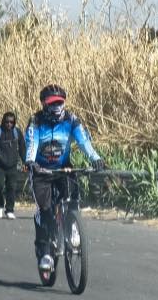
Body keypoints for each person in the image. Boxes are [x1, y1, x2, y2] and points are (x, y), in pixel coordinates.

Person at [25, 84, 105, 271]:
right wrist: (30, 161)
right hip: (41, 171)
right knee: (44, 210)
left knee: (72, 197)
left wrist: (96, 158)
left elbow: (84, 141)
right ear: (44, 104)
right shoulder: (36, 121)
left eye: (60, 103)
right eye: (52, 104)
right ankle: (45, 252)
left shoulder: (71, 120)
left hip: (63, 168)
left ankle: (72, 227)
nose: (57, 107)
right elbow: (31, 142)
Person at [0, 111, 26, 219]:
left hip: (12, 165)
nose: (9, 124)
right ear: (3, 121)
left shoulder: (17, 133)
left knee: (11, 187)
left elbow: (22, 148)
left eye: (11, 122)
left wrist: (25, 162)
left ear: (14, 122)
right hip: (0, 165)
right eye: (7, 122)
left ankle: (10, 210)